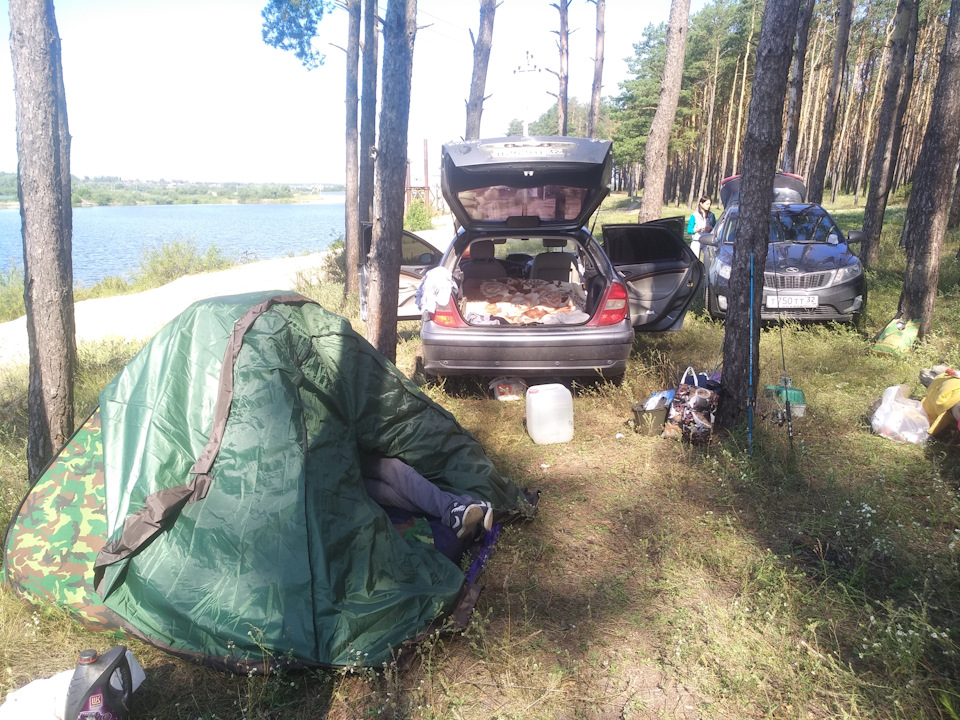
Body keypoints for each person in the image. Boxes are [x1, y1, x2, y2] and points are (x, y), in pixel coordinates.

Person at [361, 456, 494, 539]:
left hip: (352, 458)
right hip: (349, 488)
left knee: (391, 468)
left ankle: (453, 509)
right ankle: (459, 507)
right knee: (385, 492)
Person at [686, 194, 716, 258]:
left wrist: (711, 228)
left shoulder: (711, 215)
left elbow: (716, 228)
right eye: (707, 204)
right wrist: (698, 229)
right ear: (701, 203)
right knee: (695, 260)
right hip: (696, 241)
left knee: (709, 259)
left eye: (710, 204)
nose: (709, 206)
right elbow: (689, 230)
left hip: (708, 241)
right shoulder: (694, 216)